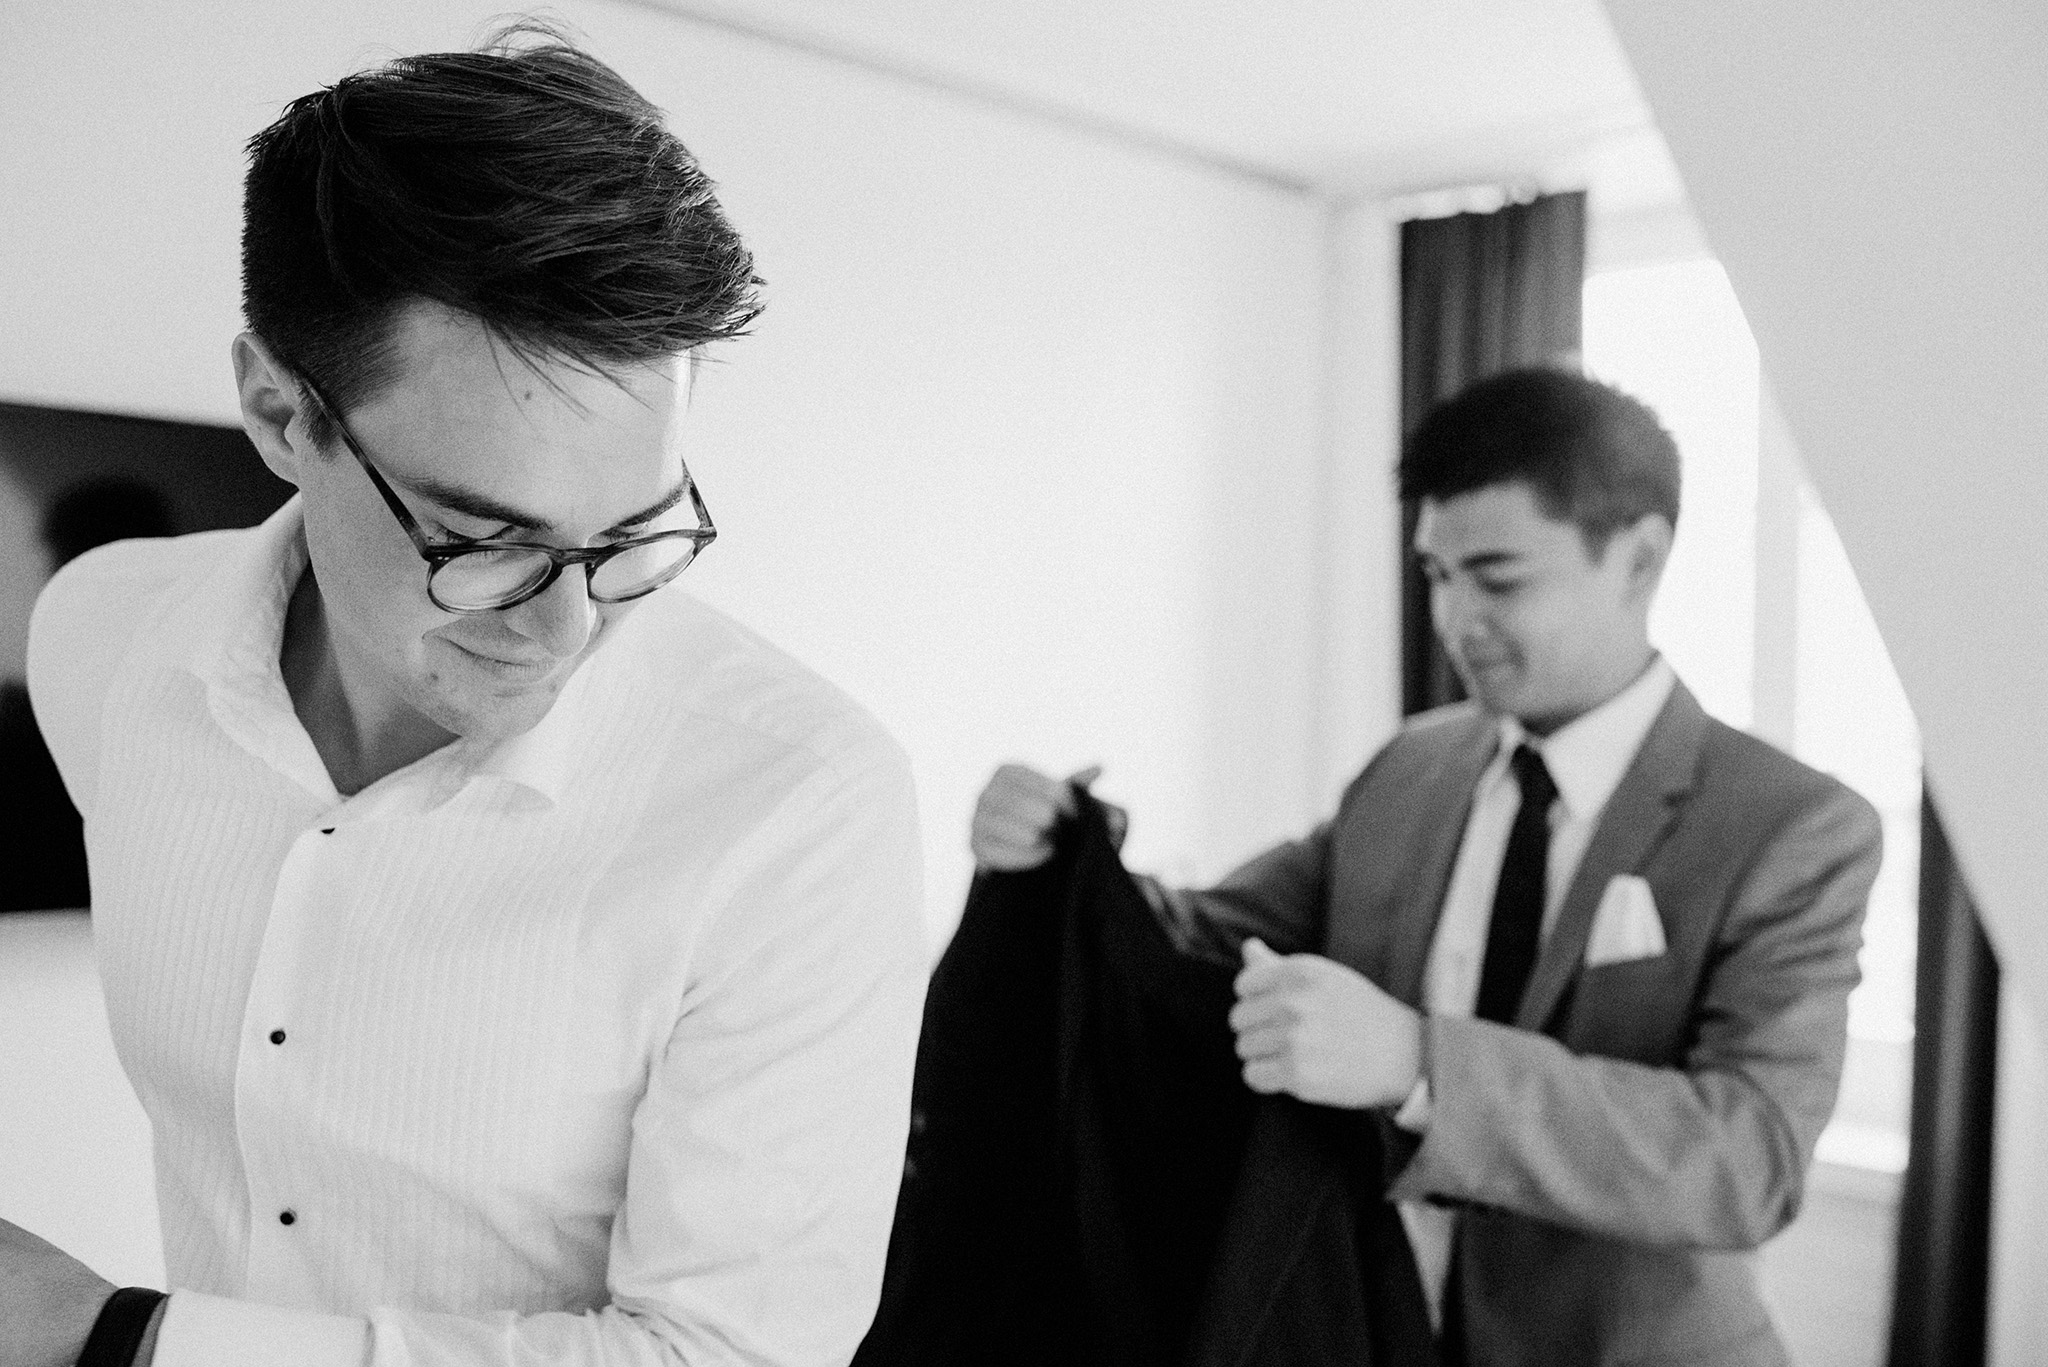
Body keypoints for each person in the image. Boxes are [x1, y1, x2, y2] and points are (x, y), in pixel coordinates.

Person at [9, 27, 925, 1367]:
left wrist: (127, 1339)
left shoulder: (799, 802)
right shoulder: (101, 638)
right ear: (279, 411)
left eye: (634, 533)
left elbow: (731, 1354)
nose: (568, 629)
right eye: (485, 540)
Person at [972, 366, 1881, 1367]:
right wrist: (1065, 853)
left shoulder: (1794, 826)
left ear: (1639, 558)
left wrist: (1418, 1063)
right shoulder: (1407, 770)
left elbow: (1749, 1157)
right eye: (1436, 575)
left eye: (1497, 578)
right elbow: (1204, 935)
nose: (1453, 619)